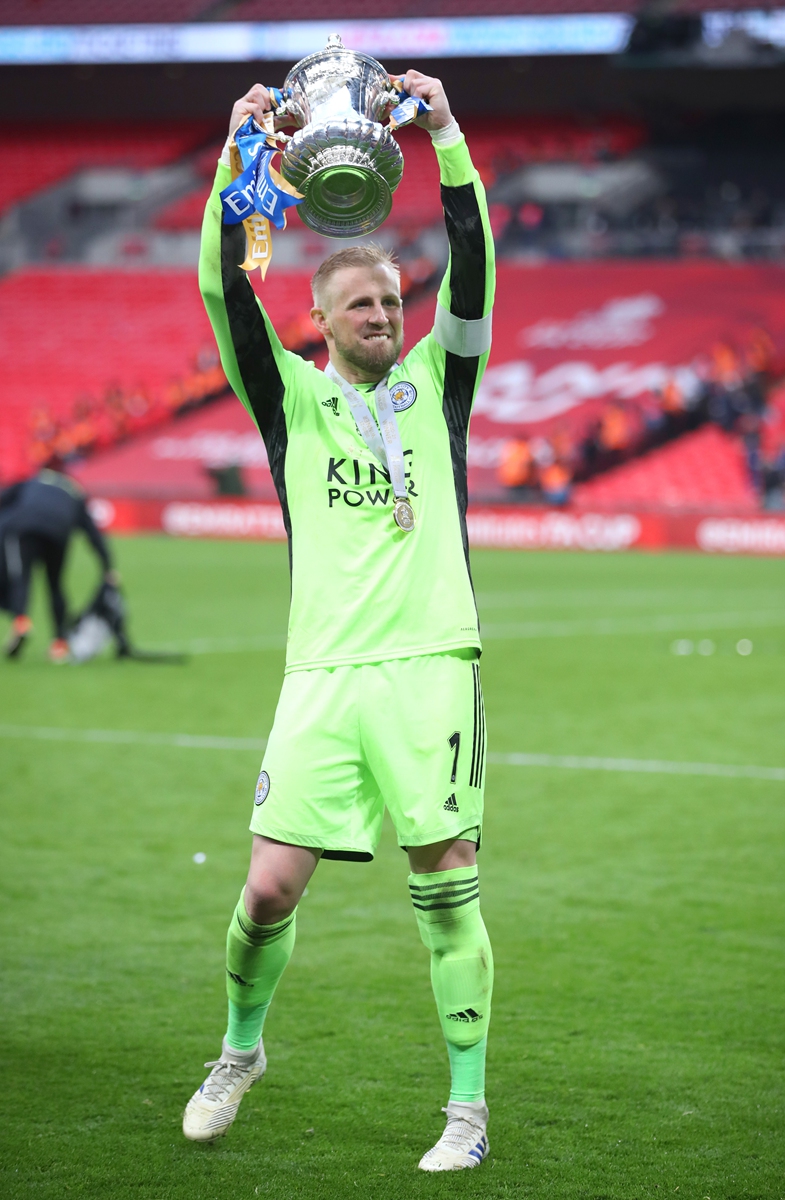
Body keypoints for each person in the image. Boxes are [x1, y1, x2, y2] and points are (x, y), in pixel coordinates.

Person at [184, 69, 495, 1172]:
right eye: (361, 305)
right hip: (318, 671)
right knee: (266, 887)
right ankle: (238, 1051)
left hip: (425, 666)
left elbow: (472, 263)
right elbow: (228, 286)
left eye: (392, 305)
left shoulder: (436, 388)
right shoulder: (289, 404)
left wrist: (447, 135)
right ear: (318, 319)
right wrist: (236, 158)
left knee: (443, 879)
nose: (383, 317)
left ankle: (464, 1111)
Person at [0, 468, 116, 661]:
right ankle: (59, 642)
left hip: (24, 528)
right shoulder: (74, 492)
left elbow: (4, 499)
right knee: (55, 585)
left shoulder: (33, 480)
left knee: (20, 578)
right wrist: (108, 567)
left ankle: (21, 622)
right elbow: (94, 534)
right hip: (58, 532)